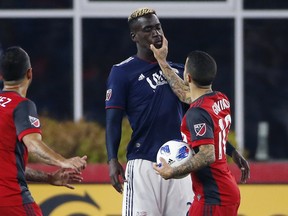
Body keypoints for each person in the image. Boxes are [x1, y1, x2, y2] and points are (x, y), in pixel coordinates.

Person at [105, 7, 249, 216]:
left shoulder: (180, 72)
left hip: (181, 164)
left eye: (158, 27)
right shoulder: (122, 72)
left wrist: (232, 151)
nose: (156, 33)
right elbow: (112, 120)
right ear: (134, 36)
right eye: (148, 29)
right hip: (144, 163)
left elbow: (203, 120)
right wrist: (111, 159)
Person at [152, 36, 245, 215]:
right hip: (223, 191)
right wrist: (161, 61)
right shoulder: (220, 99)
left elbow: (207, 155)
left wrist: (173, 171)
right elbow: (184, 93)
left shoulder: (196, 113)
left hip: (214, 196)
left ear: (187, 76)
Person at [0, 46, 87, 216]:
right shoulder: (21, 105)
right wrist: (63, 161)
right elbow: (33, 144)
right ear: (29, 73)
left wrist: (49, 178)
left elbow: (9, 166)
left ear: (1, 76)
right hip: (10, 199)